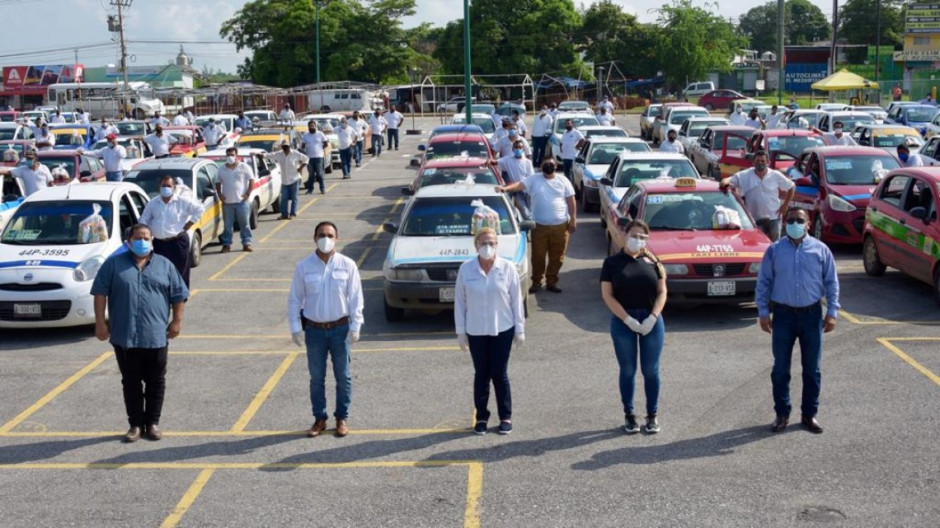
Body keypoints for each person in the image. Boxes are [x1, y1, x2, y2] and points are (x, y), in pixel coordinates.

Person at [91, 223, 188, 443]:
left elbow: (178, 295)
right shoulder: (113, 264)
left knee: (156, 381)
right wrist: (100, 323)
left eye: (146, 238)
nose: (142, 241)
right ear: (129, 242)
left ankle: (152, 423)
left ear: (152, 241)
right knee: (131, 382)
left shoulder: (165, 266)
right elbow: (99, 293)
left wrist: (177, 322)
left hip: (156, 336)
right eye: (138, 238)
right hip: (125, 336)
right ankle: (135, 425)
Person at [756, 207, 839, 434]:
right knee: (780, 369)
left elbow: (831, 283)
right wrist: (763, 312)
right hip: (783, 315)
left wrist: (832, 312)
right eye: (790, 220)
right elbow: (763, 282)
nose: (794, 224)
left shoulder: (821, 250)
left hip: (811, 316)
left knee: (812, 369)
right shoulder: (774, 251)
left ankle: (809, 414)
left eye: (799, 220)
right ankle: (782, 413)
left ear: (808, 223)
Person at [288, 221, 364, 438]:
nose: (326, 239)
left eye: (330, 235)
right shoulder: (303, 267)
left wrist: (356, 326)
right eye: (322, 235)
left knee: (344, 376)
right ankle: (319, 418)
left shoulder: (347, 265)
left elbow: (356, 298)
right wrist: (295, 328)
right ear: (314, 238)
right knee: (316, 378)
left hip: (341, 329)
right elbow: (294, 299)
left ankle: (342, 417)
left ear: (336, 239)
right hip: (314, 331)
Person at [455, 227, 525, 436]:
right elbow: (460, 303)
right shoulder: (466, 270)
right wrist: (460, 332)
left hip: (502, 328)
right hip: (476, 330)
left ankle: (505, 416)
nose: (488, 247)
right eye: (483, 243)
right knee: (481, 374)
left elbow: (516, 300)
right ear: (476, 245)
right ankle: (482, 417)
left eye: (492, 243)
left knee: (499, 373)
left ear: (497, 245)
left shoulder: (507, 268)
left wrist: (520, 329)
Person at [600, 219, 667, 434]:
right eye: (635, 236)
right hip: (623, 321)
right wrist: (628, 319)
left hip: (651, 320)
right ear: (626, 235)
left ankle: (652, 415)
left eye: (643, 237)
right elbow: (607, 295)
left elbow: (662, 292)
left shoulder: (653, 262)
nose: (639, 240)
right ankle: (629, 414)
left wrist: (653, 317)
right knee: (628, 370)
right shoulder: (612, 263)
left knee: (651, 370)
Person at [496, 160, 577, 293]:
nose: (548, 165)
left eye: (551, 163)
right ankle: (536, 282)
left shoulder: (563, 181)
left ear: (556, 166)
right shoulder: (534, 179)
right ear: (541, 167)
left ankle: (552, 282)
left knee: (557, 257)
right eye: (546, 163)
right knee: (538, 256)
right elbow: (519, 185)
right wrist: (505, 189)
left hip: (560, 226)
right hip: (539, 226)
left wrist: (573, 219)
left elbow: (571, 200)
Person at [138, 176, 205, 287]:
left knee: (180, 273)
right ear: (159, 187)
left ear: (174, 188)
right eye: (163, 186)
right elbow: (144, 219)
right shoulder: (153, 204)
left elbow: (199, 209)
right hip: (159, 244)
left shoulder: (182, 202)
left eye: (168, 186)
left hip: (178, 242)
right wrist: (144, 232)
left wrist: (188, 225)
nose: (166, 188)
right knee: (160, 273)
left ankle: (180, 299)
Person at [720, 150, 795, 241]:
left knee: (774, 244)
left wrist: (785, 205)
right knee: (758, 243)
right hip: (755, 219)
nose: (760, 163)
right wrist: (724, 182)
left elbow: (792, 186)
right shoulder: (745, 175)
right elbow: (728, 180)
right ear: (753, 162)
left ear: (768, 162)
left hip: (774, 216)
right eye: (757, 161)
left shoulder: (775, 175)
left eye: (763, 161)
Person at [216, 146, 256, 253]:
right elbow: (217, 182)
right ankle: (226, 244)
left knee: (244, 224)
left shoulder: (244, 167)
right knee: (227, 225)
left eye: (232, 155)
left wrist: (247, 194)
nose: (230, 157)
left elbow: (252, 180)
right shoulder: (221, 169)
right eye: (228, 155)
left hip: (241, 202)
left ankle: (247, 243)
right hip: (227, 203)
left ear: (236, 155)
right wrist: (220, 195)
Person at [497, 139, 534, 218]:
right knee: (525, 212)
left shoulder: (527, 162)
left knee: (531, 210)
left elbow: (531, 177)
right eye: (516, 147)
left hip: (528, 191)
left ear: (523, 149)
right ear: (513, 149)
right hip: (517, 191)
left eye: (520, 147)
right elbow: (496, 162)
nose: (518, 149)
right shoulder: (508, 160)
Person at [272, 139, 308, 218]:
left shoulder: (295, 153)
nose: (286, 148)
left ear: (290, 146)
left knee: (294, 198)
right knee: (284, 199)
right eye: (284, 147)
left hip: (294, 179)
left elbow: (306, 159)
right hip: (285, 181)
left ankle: (293, 214)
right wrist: (261, 155)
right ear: (282, 147)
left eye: (287, 147)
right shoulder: (279, 154)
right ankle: (284, 214)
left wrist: (300, 168)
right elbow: (270, 155)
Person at [301, 121, 328, 195]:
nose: (311, 127)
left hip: (319, 157)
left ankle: (322, 188)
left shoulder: (320, 134)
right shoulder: (306, 135)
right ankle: (310, 190)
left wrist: (320, 149)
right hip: (309, 158)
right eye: (310, 126)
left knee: (319, 174)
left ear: (315, 126)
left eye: (313, 126)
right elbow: (302, 146)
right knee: (311, 175)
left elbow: (326, 143)